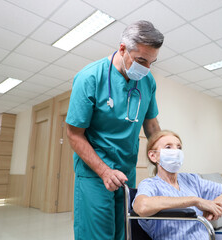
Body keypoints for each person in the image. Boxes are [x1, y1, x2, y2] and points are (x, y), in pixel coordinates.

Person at [66, 20, 164, 240]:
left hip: (126, 171)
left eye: (152, 62)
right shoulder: (89, 78)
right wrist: (104, 171)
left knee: (123, 232)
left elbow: (151, 125)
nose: (147, 68)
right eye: (141, 60)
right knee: (98, 235)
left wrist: (165, 155)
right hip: (94, 172)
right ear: (122, 49)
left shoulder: (147, 81)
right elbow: (74, 134)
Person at [133, 130, 222, 240]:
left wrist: (221, 200)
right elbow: (142, 206)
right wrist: (195, 200)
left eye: (179, 147)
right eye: (168, 147)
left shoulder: (191, 180)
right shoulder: (150, 184)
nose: (176, 151)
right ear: (153, 156)